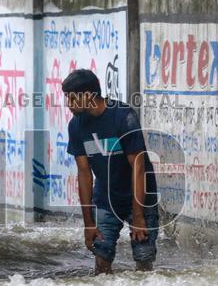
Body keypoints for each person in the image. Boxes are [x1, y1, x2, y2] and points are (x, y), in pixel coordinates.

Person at [62, 69, 159, 274]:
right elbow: (84, 175)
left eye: (71, 98)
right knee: (102, 258)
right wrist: (88, 223)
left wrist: (139, 215)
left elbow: (138, 167)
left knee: (143, 259)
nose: (68, 104)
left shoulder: (123, 117)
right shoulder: (76, 126)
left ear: (87, 96)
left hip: (140, 197)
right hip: (106, 199)